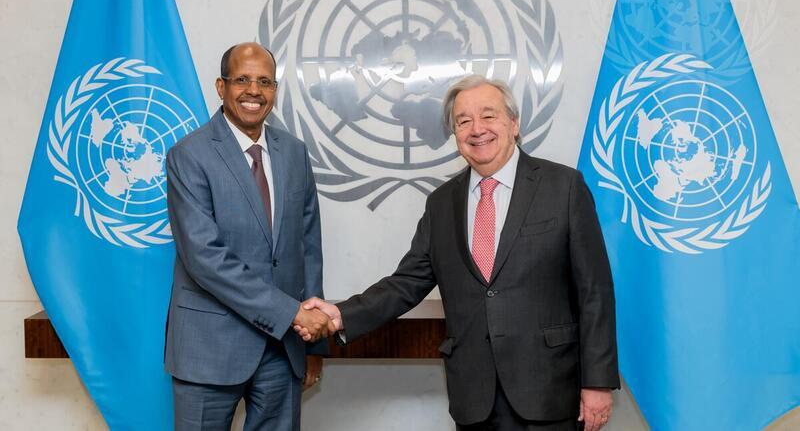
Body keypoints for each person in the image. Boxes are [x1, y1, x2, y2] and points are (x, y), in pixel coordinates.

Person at [298, 75, 619, 431]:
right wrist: (340, 314)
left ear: (513, 123)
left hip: (549, 389)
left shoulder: (564, 187)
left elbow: (595, 292)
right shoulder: (441, 204)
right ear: (455, 135)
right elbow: (406, 283)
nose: (476, 129)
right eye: (463, 121)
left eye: (488, 116)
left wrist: (597, 382)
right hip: (474, 395)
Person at [165, 42, 335, 431]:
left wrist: (313, 344)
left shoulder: (294, 152)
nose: (254, 91)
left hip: (283, 350)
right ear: (220, 87)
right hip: (208, 348)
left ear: (275, 90)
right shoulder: (188, 155)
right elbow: (204, 258)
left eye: (264, 82)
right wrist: (291, 313)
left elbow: (309, 248)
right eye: (241, 80)